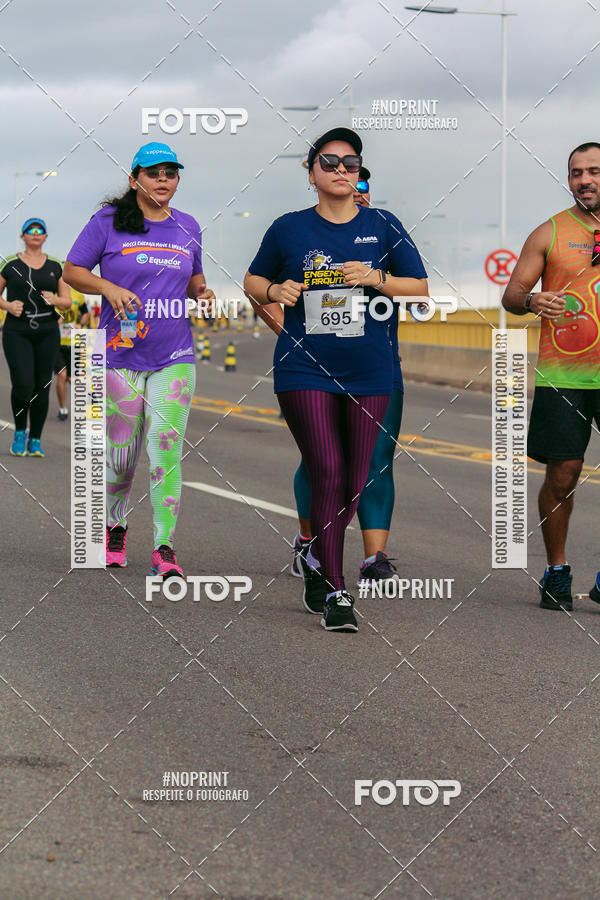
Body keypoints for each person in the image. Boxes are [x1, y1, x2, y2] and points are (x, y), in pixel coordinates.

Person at [244, 127, 427, 632]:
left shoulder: (383, 225)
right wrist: (274, 290)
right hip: (305, 367)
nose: (341, 169)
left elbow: (419, 289)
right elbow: (253, 279)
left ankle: (315, 559)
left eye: (351, 162)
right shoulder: (288, 228)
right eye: (329, 162)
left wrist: (375, 278)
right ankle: (336, 590)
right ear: (311, 173)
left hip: (371, 371)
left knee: (355, 477)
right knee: (326, 468)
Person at [64, 141, 214, 577]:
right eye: (153, 173)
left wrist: (203, 294)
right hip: (118, 355)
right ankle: (114, 526)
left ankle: (164, 547)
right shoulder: (107, 222)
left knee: (165, 450)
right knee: (121, 457)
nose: (162, 179)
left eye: (170, 172)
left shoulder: (188, 226)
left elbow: (195, 281)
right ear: (135, 180)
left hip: (174, 354)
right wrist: (108, 288)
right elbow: (72, 271)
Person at [502, 140, 600, 612]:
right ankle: (557, 570)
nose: (585, 180)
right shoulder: (551, 232)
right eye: (577, 172)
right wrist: (531, 300)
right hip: (565, 375)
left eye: (594, 171)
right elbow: (512, 293)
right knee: (563, 474)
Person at [0, 218, 72, 457]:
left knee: (42, 386)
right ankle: (20, 432)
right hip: (17, 331)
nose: (35, 233)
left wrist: (55, 299)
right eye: (30, 230)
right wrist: (7, 305)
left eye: (40, 230)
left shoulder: (56, 265)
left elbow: (67, 301)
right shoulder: (10, 264)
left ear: (45, 236)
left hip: (47, 332)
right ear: (23, 236)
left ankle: (36, 439)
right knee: (23, 384)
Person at [54, 286, 90, 420]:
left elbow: (85, 313)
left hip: (74, 342)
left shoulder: (77, 295)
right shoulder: (53, 294)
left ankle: (86, 405)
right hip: (57, 343)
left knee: (72, 378)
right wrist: (54, 322)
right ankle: (63, 409)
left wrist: (81, 324)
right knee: (62, 375)